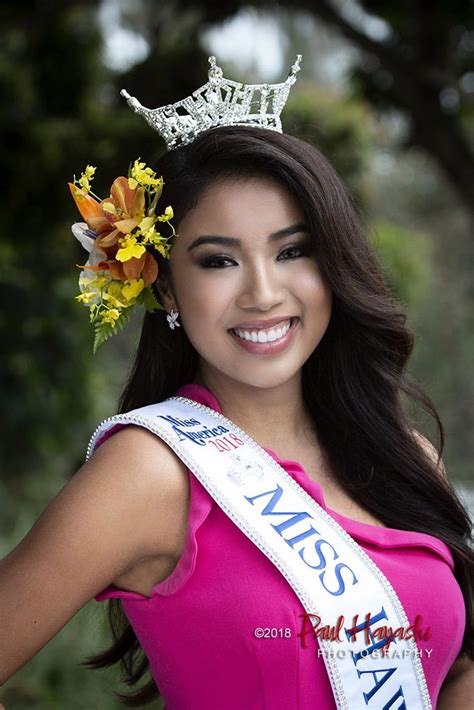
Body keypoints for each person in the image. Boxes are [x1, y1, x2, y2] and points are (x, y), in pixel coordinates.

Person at [1, 58, 473, 710]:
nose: (262, 292)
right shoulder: (149, 472)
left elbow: (456, 666)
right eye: (218, 260)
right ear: (164, 282)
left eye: (292, 251)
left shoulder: (405, 456)